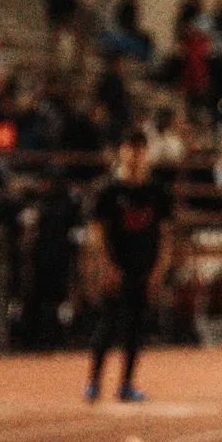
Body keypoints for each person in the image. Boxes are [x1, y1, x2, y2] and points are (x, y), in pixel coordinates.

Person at [83, 130, 170, 404]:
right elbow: (97, 231)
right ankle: (94, 382)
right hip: (116, 266)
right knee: (106, 326)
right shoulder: (108, 190)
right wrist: (104, 264)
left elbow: (165, 233)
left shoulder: (156, 191)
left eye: (140, 149)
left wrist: (159, 268)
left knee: (135, 328)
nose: (135, 155)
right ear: (122, 151)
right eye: (130, 149)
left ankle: (126, 384)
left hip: (143, 265)